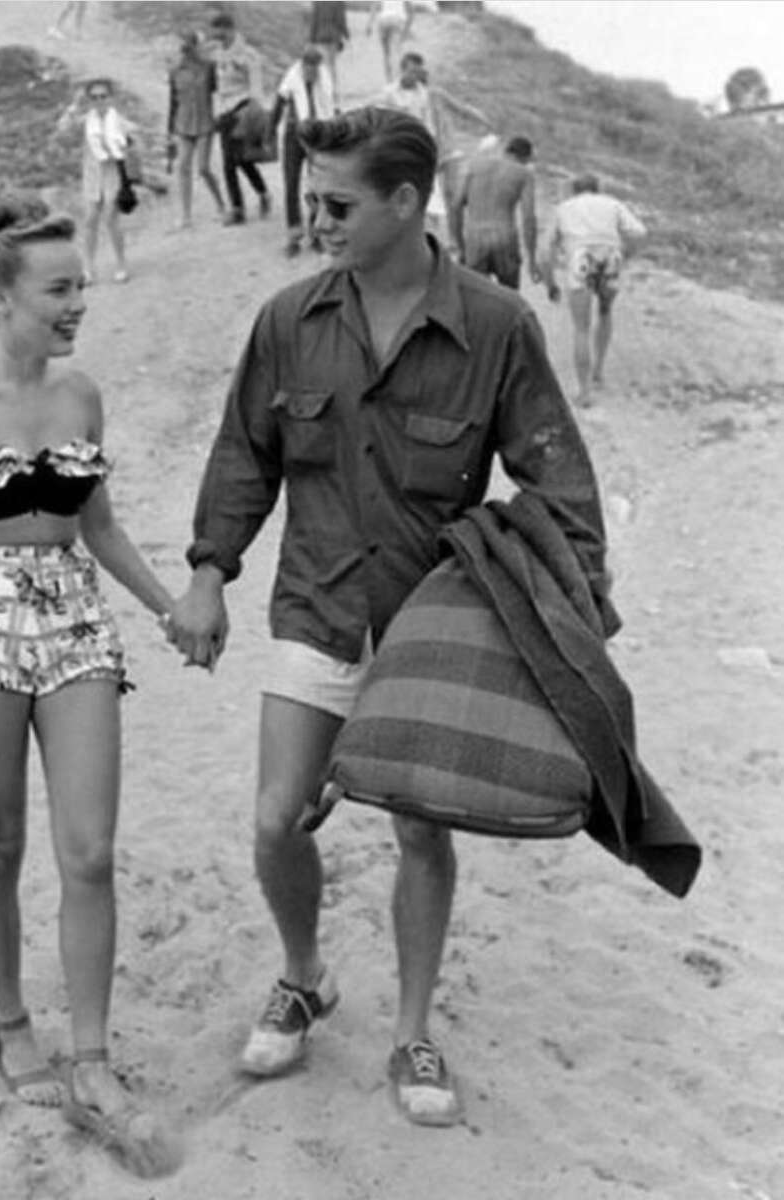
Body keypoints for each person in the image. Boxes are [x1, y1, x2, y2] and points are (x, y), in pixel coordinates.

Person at [166, 108, 611, 1127]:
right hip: (317, 605)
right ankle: (306, 972)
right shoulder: (287, 321)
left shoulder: (498, 327)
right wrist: (206, 572)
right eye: (311, 198)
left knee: (420, 835)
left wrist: (562, 608)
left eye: (335, 203)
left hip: (432, 630)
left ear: (407, 202)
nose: (313, 218)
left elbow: (560, 482)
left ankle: (414, 1030)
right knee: (278, 816)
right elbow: (245, 456)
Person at [0, 195, 178, 1165]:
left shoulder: (81, 395)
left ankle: (91, 1054)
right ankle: (12, 1022)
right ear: (1, 297)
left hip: (73, 617)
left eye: (80, 284)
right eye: (60, 288)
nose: (77, 302)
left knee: (89, 849)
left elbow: (98, 525)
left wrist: (167, 605)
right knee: (0, 841)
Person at [545, 173, 647, 407]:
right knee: (605, 312)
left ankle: (584, 391)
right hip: (610, 256)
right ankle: (599, 369)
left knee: (581, 327)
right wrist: (627, 254)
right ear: (597, 188)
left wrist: (550, 280)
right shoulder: (612, 204)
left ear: (573, 189)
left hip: (581, 257)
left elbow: (546, 248)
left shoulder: (564, 208)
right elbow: (639, 232)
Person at [378, 52, 494, 243]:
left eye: (418, 72)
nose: (415, 76)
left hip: (439, 151)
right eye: (411, 71)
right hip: (406, 151)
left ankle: (449, 239)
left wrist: (479, 117)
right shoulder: (390, 93)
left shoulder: (427, 94)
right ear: (403, 70)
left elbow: (457, 109)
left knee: (443, 196)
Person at [56, 78, 133, 283]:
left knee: (110, 217)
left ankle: (121, 263)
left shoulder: (118, 121)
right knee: (90, 220)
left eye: (103, 96)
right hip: (92, 175)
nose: (99, 101)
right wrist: (74, 106)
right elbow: (63, 129)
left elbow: (131, 140)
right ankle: (88, 268)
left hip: (113, 174)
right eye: (94, 97)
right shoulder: (86, 121)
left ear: (110, 98)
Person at [207, 11, 272, 227]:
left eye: (220, 31)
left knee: (238, 160)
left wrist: (254, 110)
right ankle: (249, 201)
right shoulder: (218, 54)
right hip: (225, 111)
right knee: (233, 161)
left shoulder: (246, 54)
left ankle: (245, 204)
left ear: (229, 29)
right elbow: (218, 86)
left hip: (242, 108)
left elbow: (255, 84)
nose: (217, 35)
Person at [450, 135, 540, 291]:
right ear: (525, 158)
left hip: (475, 239)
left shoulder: (474, 166)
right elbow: (529, 219)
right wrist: (532, 260)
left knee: (475, 298)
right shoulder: (524, 175)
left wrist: (460, 245)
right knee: (509, 301)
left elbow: (455, 205)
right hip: (505, 239)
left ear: (506, 151)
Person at [271, 47, 337, 257]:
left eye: (314, 69)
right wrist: (269, 132)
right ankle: (293, 235)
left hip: (317, 136)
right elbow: (277, 107)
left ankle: (315, 232)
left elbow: (331, 107)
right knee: (291, 183)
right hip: (294, 136)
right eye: (308, 69)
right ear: (302, 66)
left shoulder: (325, 80)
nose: (311, 74)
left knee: (317, 184)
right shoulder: (291, 79)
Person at [167, 30, 226, 230]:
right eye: (185, 48)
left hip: (204, 124)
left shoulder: (209, 67)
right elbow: (172, 103)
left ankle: (221, 205)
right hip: (183, 125)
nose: (187, 52)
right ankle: (185, 216)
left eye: (191, 47)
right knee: (183, 166)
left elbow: (218, 92)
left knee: (203, 168)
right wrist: (169, 133)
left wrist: (220, 115)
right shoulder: (175, 71)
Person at [308, 2, 349, 98]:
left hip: (320, 36)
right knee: (331, 64)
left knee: (323, 65)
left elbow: (314, 20)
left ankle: (324, 89)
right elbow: (341, 21)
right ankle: (333, 90)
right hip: (333, 37)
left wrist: (311, 39)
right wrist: (346, 35)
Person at [367, 0, 414, 84]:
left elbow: (374, 5)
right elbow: (411, 12)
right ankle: (398, 81)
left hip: (383, 20)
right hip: (397, 20)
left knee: (386, 55)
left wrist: (369, 24)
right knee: (397, 53)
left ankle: (389, 82)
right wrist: (406, 31)